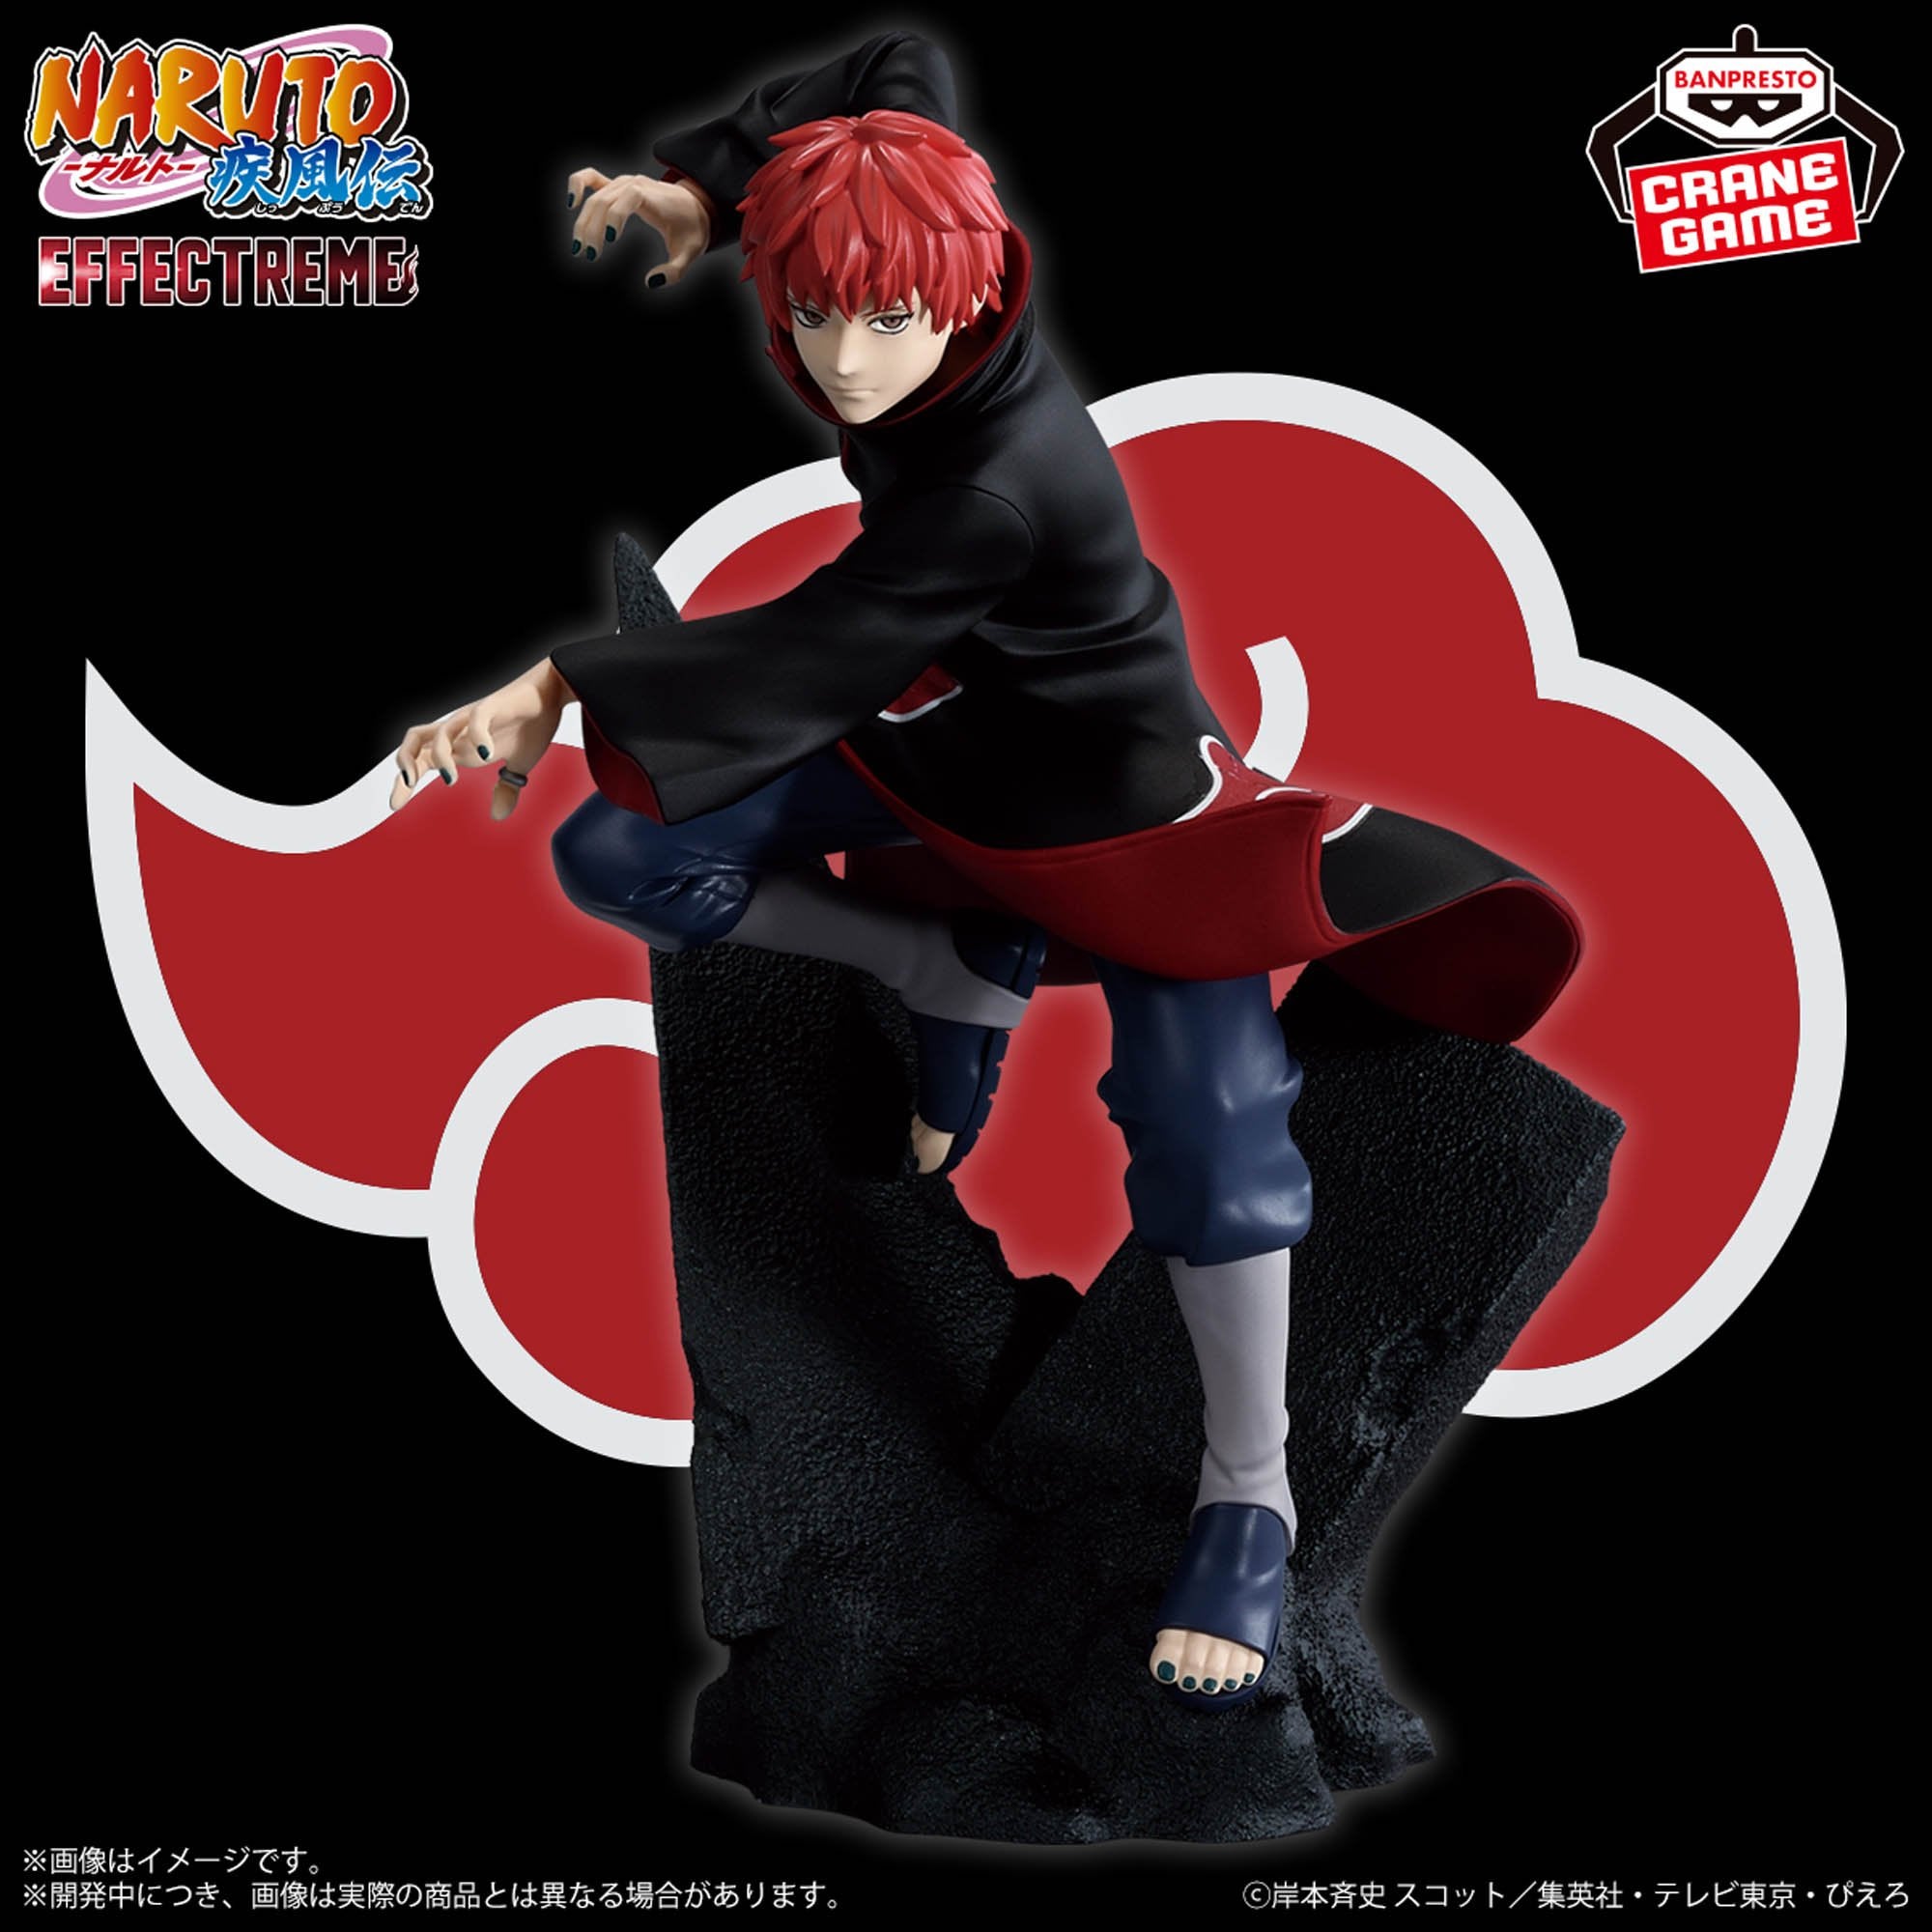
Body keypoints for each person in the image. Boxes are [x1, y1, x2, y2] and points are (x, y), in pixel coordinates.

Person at [388, 33, 1580, 1711]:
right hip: (947, 746)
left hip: (1130, 818)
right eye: (815, 313)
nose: (846, 359)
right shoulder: (922, 192)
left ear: (967, 285)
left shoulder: (998, 494)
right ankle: (935, 967)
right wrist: (705, 185)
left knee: (1211, 1131)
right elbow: (892, 60)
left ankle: (1249, 1497)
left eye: (888, 318)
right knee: (625, 850)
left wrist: (552, 683)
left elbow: (809, 645)